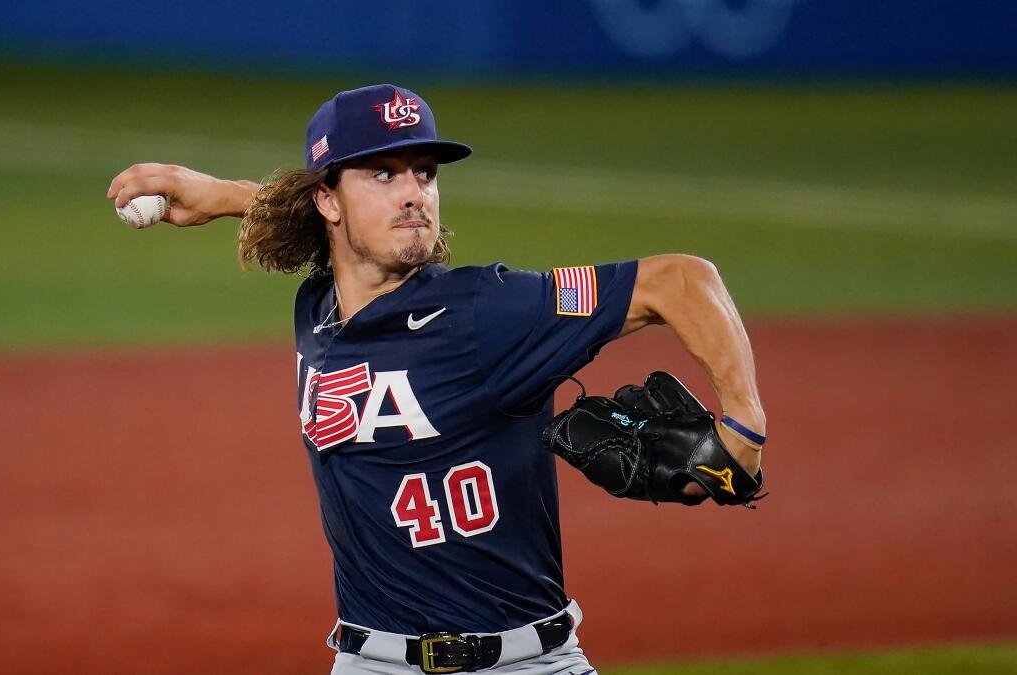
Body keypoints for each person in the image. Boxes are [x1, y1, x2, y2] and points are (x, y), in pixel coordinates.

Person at [107, 84, 766, 675]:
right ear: (328, 201)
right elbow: (329, 235)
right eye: (382, 173)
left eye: (424, 172)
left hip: (525, 663)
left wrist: (742, 425)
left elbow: (683, 280)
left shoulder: (489, 313)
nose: (413, 192)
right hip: (367, 660)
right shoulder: (319, 306)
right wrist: (224, 196)